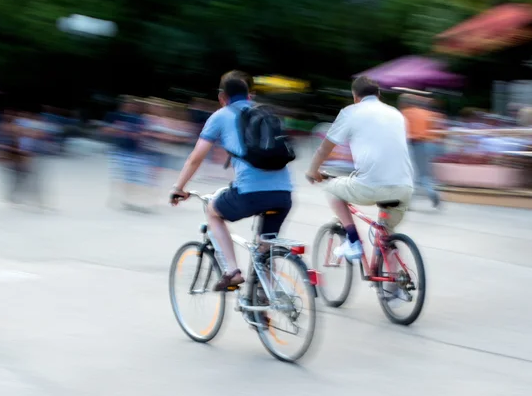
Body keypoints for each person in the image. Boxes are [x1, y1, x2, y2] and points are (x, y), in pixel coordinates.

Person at [170, 71, 293, 291]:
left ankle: (232, 271)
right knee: (266, 247)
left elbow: (195, 158)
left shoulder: (221, 115)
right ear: (249, 95)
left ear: (222, 97)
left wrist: (179, 188)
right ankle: (268, 299)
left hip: (250, 193)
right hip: (283, 194)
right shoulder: (265, 113)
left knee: (213, 212)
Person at [305, 76, 414, 261]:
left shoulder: (351, 112)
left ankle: (354, 241)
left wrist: (312, 170)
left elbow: (325, 148)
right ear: (379, 95)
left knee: (332, 190)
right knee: (386, 235)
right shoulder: (396, 114)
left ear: (355, 97)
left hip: (372, 185)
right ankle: (395, 287)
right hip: (404, 187)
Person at [401, 95, 441, 208]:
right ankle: (431, 192)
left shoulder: (404, 113)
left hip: (410, 144)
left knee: (410, 174)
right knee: (424, 173)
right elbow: (433, 129)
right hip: (425, 144)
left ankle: (407, 202)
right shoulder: (426, 113)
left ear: (405, 103)